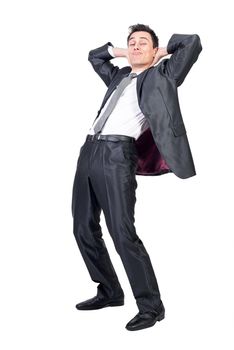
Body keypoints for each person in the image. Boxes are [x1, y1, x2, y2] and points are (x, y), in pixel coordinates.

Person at [71, 23, 202, 331]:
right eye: (132, 42)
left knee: (122, 232)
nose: (136, 46)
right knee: (82, 228)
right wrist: (122, 52)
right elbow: (95, 57)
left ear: (155, 49)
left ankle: (151, 306)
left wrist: (160, 52)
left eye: (143, 42)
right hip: (89, 151)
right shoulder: (118, 75)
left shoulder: (163, 76)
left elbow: (192, 43)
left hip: (118, 155)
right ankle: (110, 291)